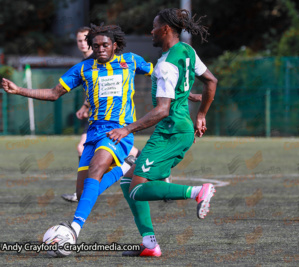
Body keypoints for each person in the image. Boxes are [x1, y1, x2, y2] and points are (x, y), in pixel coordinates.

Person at [2, 24, 153, 250]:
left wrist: (187, 94)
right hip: (94, 132)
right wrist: (19, 90)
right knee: (84, 193)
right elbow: (54, 94)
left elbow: (162, 75)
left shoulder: (130, 61)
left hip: (119, 130)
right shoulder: (83, 68)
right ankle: (124, 167)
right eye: (96, 45)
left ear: (115, 45)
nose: (100, 49)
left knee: (97, 168)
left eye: (105, 45)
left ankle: (74, 229)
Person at [107, 8, 218, 257]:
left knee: (137, 189)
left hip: (170, 133)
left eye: (154, 27)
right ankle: (149, 243)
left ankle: (197, 191)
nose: (151, 31)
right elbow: (211, 81)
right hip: (178, 130)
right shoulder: (186, 51)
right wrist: (201, 114)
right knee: (128, 180)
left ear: (166, 29)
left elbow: (162, 111)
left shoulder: (166, 65)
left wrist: (127, 128)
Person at [61, 27, 141, 203]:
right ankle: (140, 162)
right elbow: (97, 89)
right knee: (126, 151)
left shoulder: (111, 60)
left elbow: (108, 88)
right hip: (95, 119)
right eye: (79, 41)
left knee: (85, 149)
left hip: (111, 120)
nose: (82, 44)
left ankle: (137, 165)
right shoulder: (86, 64)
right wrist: (85, 106)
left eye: (84, 40)